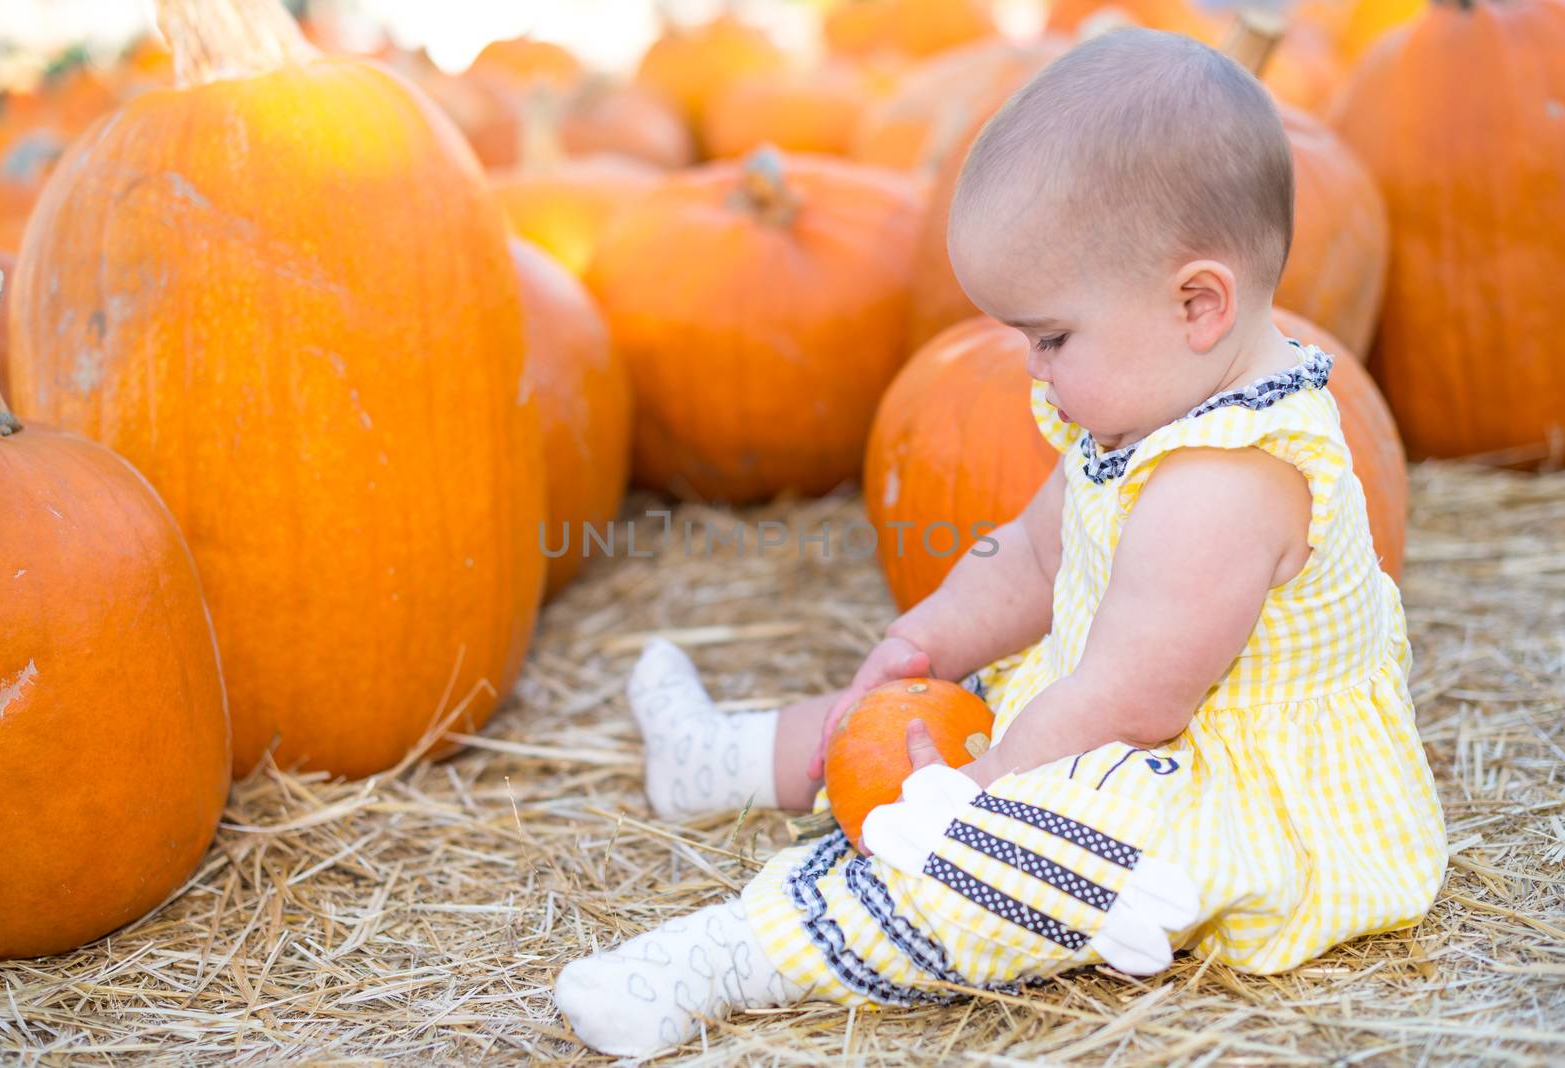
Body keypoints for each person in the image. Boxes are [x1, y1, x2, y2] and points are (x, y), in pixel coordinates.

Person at [553, 28, 1447, 1058]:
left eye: (1050, 338)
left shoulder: (1228, 484)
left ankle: (737, 955)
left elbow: (1134, 699)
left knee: (993, 861)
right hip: (1112, 714)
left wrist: (976, 799)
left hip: (1224, 791)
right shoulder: (1153, 402)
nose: (1029, 369)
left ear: (1197, 303)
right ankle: (729, 758)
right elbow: (1035, 556)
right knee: (930, 710)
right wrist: (928, 638)